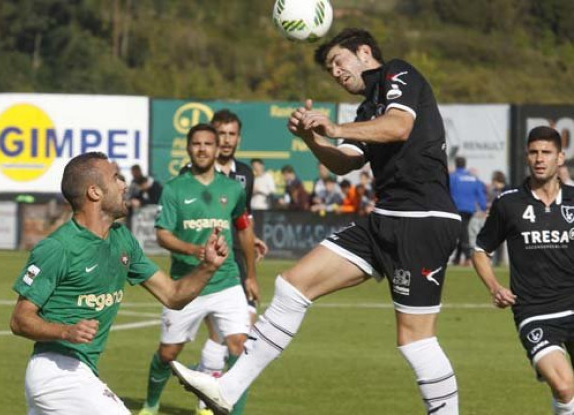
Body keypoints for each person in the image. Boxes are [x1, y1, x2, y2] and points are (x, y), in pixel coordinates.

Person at [170, 28, 462, 415]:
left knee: (416, 341)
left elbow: (399, 126)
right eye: (330, 70)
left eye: (338, 62)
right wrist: (311, 139)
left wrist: (335, 128)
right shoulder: (364, 110)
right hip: (385, 218)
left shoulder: (398, 73)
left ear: (363, 51)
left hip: (423, 218)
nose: (336, 74)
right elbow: (345, 162)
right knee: (292, 286)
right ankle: (229, 388)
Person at [9, 152, 230, 415]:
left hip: (78, 371)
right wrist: (65, 332)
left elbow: (173, 295)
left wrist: (208, 267)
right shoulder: (58, 247)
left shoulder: (122, 239)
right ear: (94, 192)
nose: (124, 185)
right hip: (57, 372)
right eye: (116, 178)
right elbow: (19, 320)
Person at [139, 124, 256, 415]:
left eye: (208, 143)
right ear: (188, 148)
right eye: (196, 144)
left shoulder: (232, 189)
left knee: (240, 348)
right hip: (185, 285)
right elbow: (162, 234)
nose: (202, 148)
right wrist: (195, 251)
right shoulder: (175, 188)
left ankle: (225, 409)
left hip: (227, 281)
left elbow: (243, 229)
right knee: (168, 354)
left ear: (217, 150)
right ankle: (152, 403)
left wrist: (251, 275)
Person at [471, 126, 574, 415]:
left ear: (560, 158)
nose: (539, 158)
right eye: (533, 152)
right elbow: (480, 251)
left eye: (546, 152)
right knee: (565, 386)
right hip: (535, 311)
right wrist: (494, 287)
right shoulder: (509, 202)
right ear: (526, 157)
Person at [176, 110, 267, 415]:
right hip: (206, 268)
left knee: (241, 342)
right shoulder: (189, 174)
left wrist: (251, 243)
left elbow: (243, 218)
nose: (226, 141)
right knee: (224, 338)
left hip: (238, 266)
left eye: (231, 135)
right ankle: (208, 385)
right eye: (221, 134)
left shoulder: (245, 174)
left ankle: (211, 387)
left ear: (238, 138)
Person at [449, 157, 487, 266]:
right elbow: (480, 194)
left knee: (462, 231)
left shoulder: (453, 177)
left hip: (456, 208)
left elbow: (447, 191)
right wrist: (483, 207)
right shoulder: (473, 178)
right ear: (465, 165)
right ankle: (457, 259)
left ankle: (468, 256)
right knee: (462, 230)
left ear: (456, 164)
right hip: (470, 209)